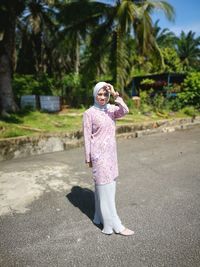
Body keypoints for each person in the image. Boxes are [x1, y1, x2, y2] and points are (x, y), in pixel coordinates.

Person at [83, 81, 134, 236]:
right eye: (100, 93)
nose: (103, 97)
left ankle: (98, 217)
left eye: (105, 94)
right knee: (105, 189)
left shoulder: (111, 110)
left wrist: (115, 94)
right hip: (99, 156)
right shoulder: (89, 113)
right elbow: (86, 137)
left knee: (107, 188)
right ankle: (115, 225)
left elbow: (125, 110)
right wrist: (88, 157)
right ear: (94, 94)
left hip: (111, 155)